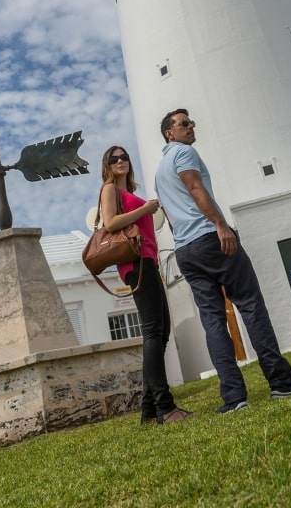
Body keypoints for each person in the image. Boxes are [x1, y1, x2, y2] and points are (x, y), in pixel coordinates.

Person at [154, 109, 291, 414]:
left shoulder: (159, 172)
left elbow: (172, 219)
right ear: (169, 133)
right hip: (210, 238)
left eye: (191, 123)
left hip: (186, 250)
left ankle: (234, 397)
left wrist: (187, 240)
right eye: (184, 124)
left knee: (212, 320)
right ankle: (280, 382)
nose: (191, 127)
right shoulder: (183, 153)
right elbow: (196, 188)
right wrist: (221, 225)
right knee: (251, 305)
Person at [99, 145, 192, 424]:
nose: (120, 161)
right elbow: (110, 222)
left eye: (124, 157)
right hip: (135, 263)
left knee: (161, 333)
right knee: (153, 331)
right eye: (114, 158)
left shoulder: (131, 193)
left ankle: (149, 412)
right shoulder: (109, 190)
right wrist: (146, 209)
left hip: (148, 263)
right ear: (107, 165)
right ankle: (166, 408)